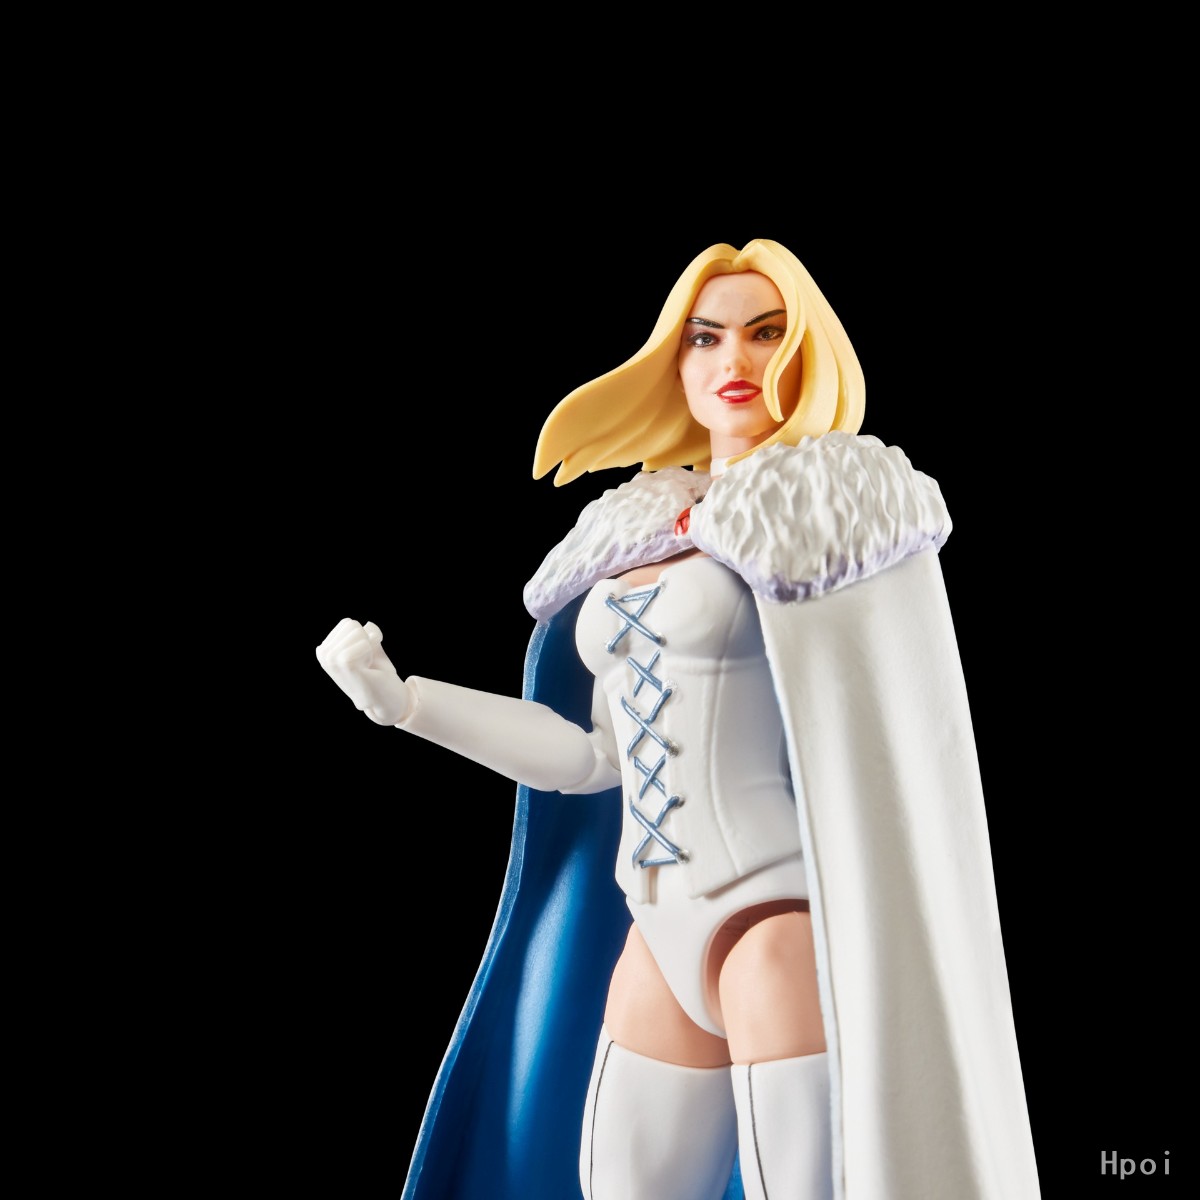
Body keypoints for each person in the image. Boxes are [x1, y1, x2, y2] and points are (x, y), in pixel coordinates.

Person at [316, 239, 1040, 1199]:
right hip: (657, 928)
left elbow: (896, 735)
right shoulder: (636, 537)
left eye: (765, 333)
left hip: (773, 921)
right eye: (706, 338)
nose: (734, 359)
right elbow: (589, 759)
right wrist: (408, 703)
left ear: (806, 354)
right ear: (677, 362)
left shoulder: (841, 521)